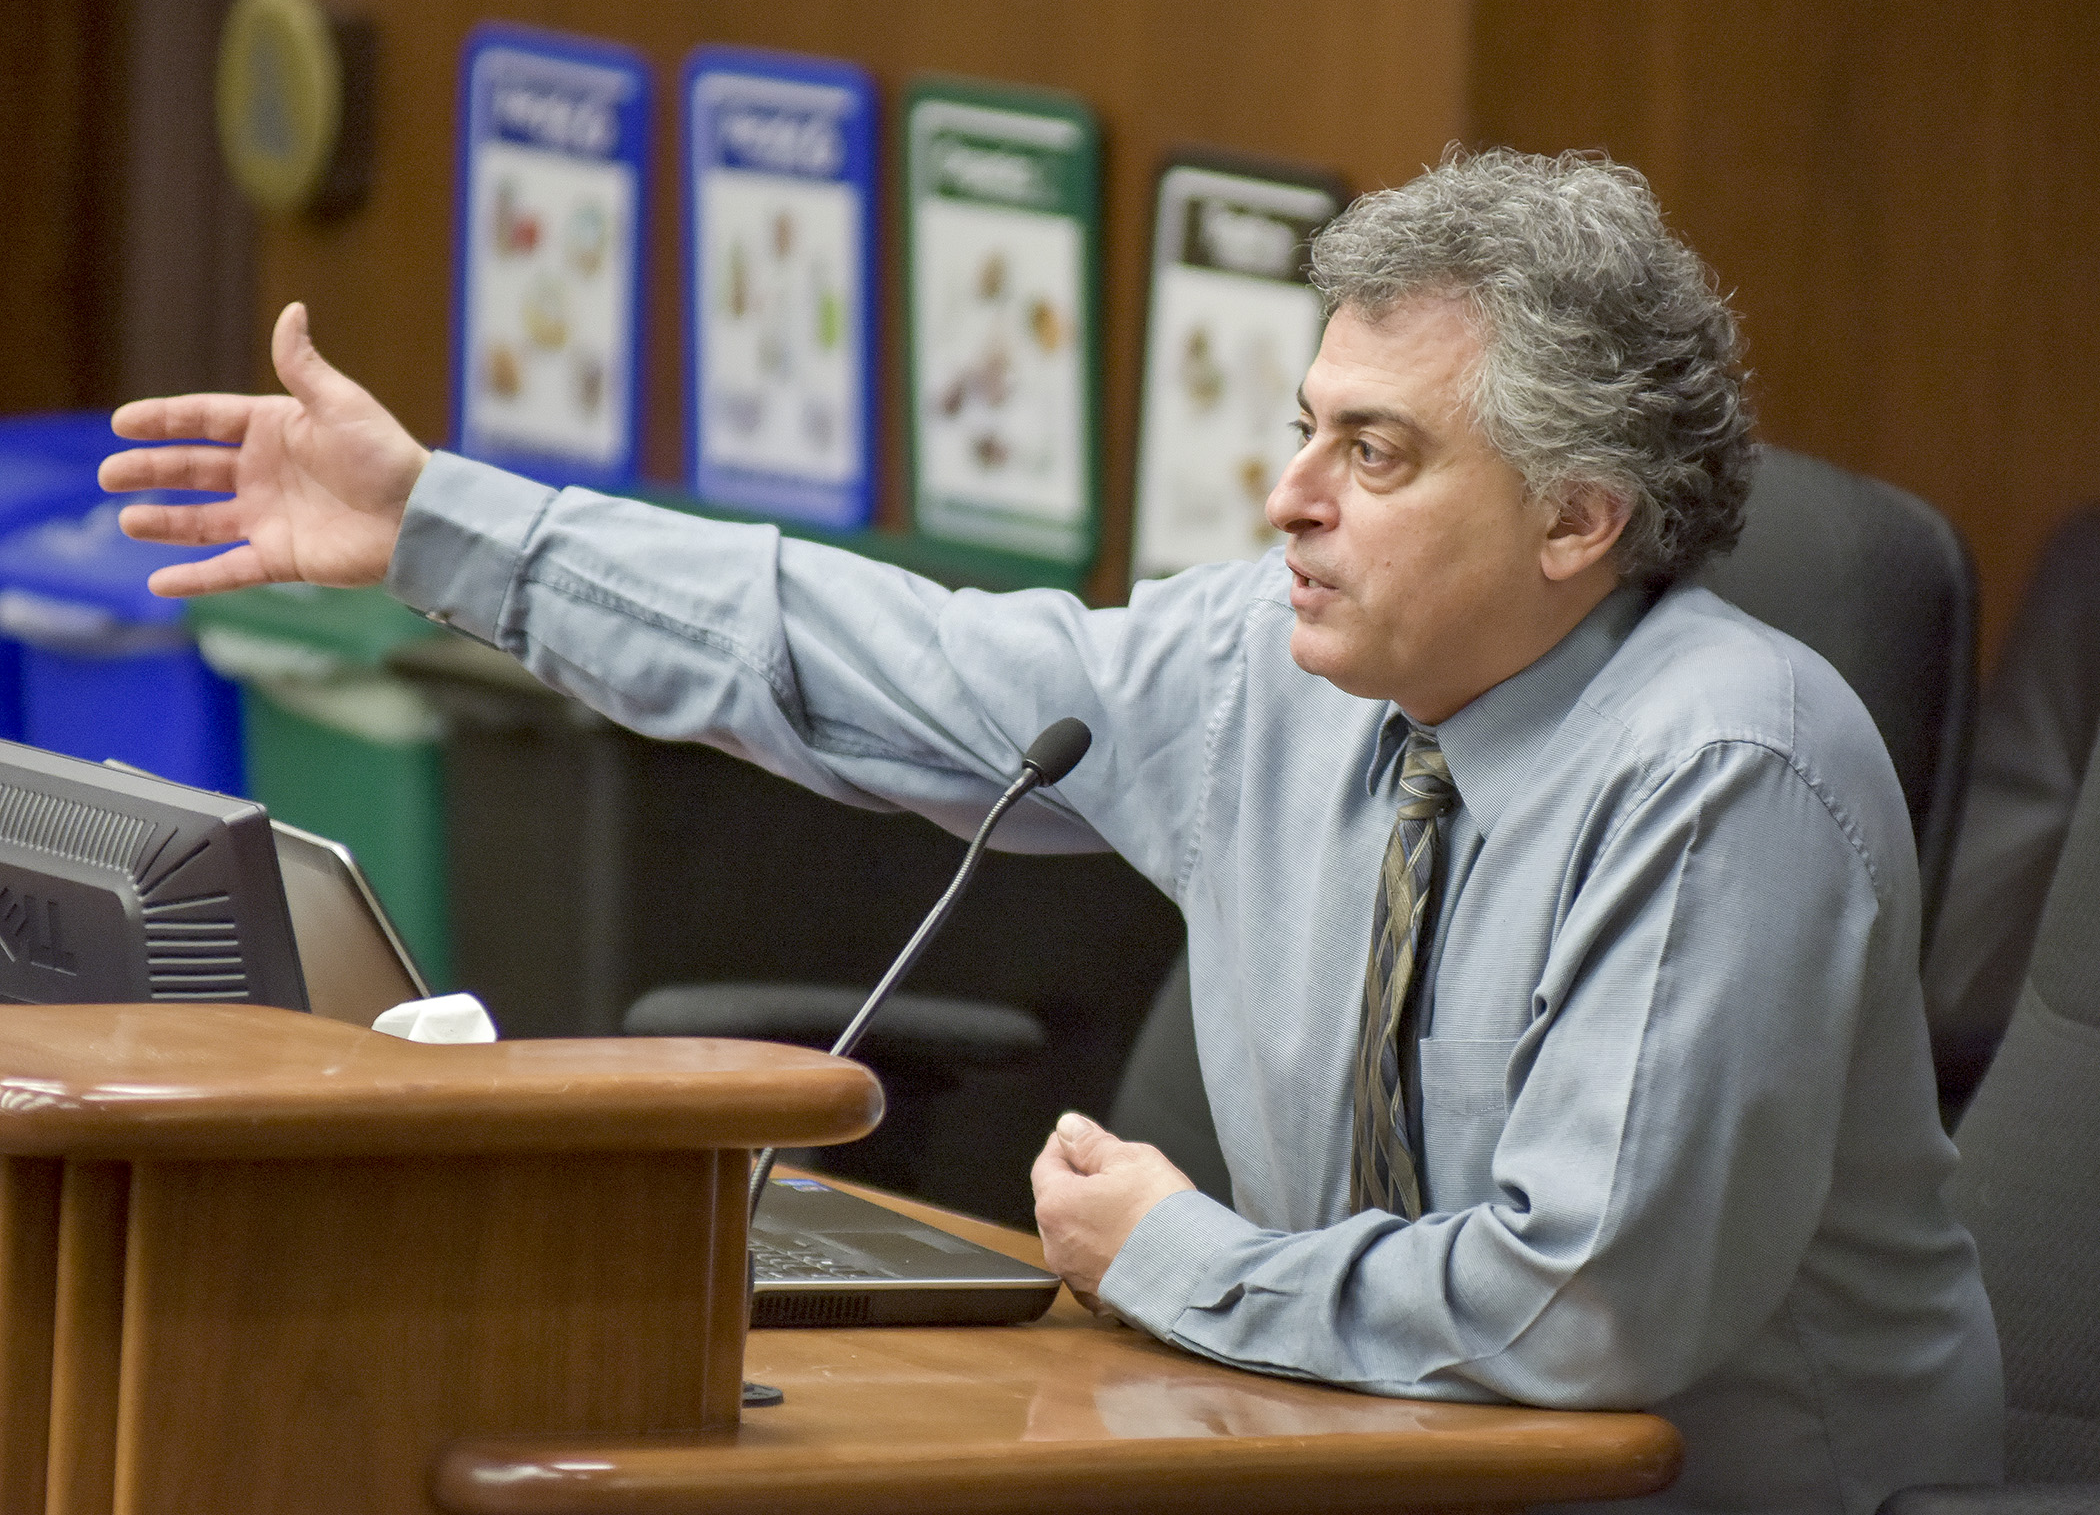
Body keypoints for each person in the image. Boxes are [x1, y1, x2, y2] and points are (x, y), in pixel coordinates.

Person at [105, 148, 1999, 1513]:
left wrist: (1174, 1255)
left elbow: (1579, 1317)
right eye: (1306, 426)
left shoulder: (1722, 775)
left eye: (1377, 454)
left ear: (1579, 520)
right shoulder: (1276, 667)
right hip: (1358, 1456)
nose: (1287, 500)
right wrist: (440, 523)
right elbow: (855, 654)